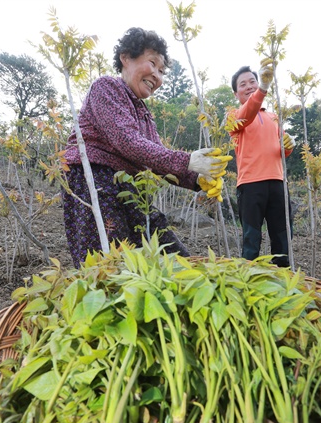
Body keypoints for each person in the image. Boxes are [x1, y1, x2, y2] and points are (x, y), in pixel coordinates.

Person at [62, 27, 227, 268]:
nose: (158, 77)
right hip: (95, 184)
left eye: (162, 72)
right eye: (153, 64)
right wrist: (188, 159)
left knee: (180, 261)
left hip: (132, 190)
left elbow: (156, 159)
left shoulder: (143, 112)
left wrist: (196, 180)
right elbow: (127, 141)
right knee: (110, 269)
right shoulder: (106, 88)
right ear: (126, 58)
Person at [228, 60, 295, 267]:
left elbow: (282, 151)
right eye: (243, 84)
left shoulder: (274, 117)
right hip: (250, 185)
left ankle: (282, 282)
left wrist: (289, 145)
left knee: (282, 238)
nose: (249, 86)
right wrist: (263, 90)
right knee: (251, 240)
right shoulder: (235, 116)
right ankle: (250, 282)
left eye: (253, 82)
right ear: (236, 94)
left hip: (277, 182)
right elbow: (247, 114)